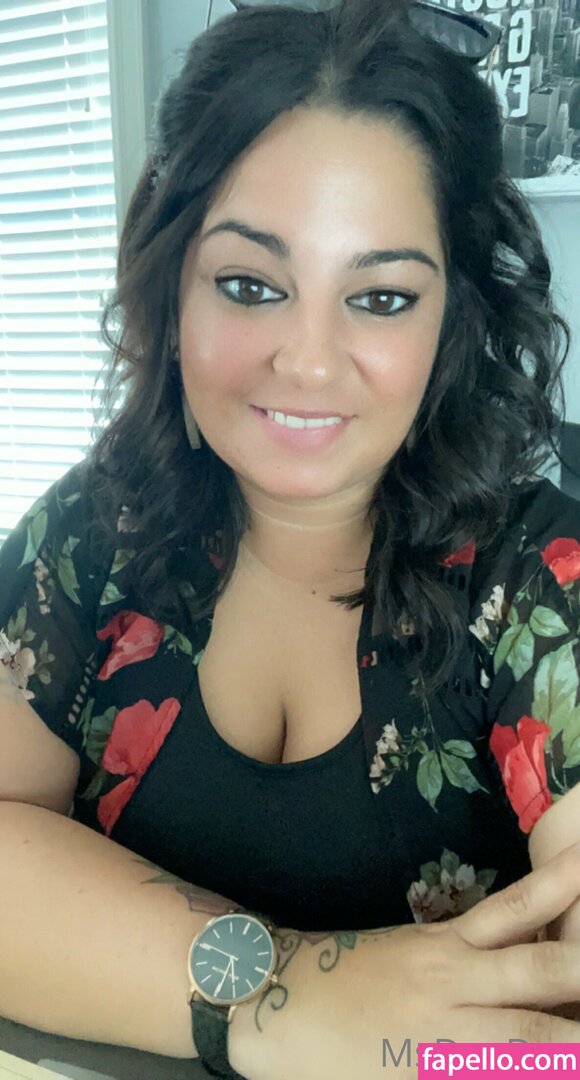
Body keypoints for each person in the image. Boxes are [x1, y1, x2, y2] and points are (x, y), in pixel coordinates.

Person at [1, 0, 580, 1077]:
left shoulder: (538, 578)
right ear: (172, 282)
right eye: (250, 286)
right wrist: (284, 997)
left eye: (382, 297)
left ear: (452, 320)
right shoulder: (95, 530)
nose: (308, 362)